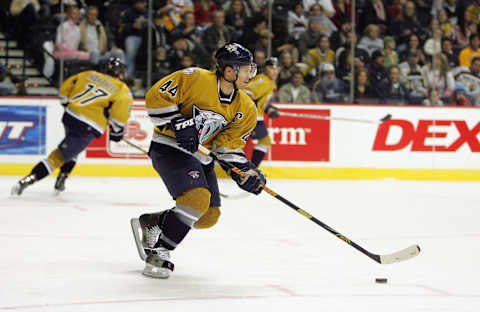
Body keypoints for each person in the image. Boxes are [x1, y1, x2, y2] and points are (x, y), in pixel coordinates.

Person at [134, 43, 266, 279]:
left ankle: (155, 221)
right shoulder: (194, 78)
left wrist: (245, 171)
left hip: (200, 157)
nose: (250, 75)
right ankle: (160, 252)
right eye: (245, 69)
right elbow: (156, 98)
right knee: (197, 199)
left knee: (208, 216)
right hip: (169, 147)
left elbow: (229, 147)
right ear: (228, 71)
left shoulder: (245, 106)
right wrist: (177, 121)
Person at [11, 58, 132, 196]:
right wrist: (117, 132)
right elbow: (120, 114)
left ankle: (61, 179)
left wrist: (66, 103)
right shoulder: (122, 89)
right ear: (121, 74)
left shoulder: (88, 74)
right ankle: (28, 180)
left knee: (72, 149)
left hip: (70, 117)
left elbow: (65, 88)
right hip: (87, 127)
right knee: (59, 156)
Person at [244, 57, 280, 167]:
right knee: (264, 141)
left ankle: (251, 168)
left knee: (265, 141)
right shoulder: (263, 80)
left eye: (276, 68)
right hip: (250, 118)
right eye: (271, 68)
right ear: (265, 69)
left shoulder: (270, 82)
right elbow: (245, 93)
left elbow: (259, 101)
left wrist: (269, 108)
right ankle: (251, 169)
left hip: (256, 117)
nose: (274, 71)